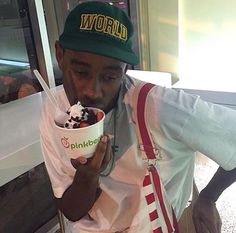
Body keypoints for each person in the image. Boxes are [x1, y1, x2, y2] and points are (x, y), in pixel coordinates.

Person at [39, 1, 236, 233]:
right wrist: (87, 175)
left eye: (110, 76)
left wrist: (208, 197)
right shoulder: (54, 113)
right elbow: (72, 211)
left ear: (124, 71)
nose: (93, 91)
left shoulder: (161, 108)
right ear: (60, 55)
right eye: (81, 72)